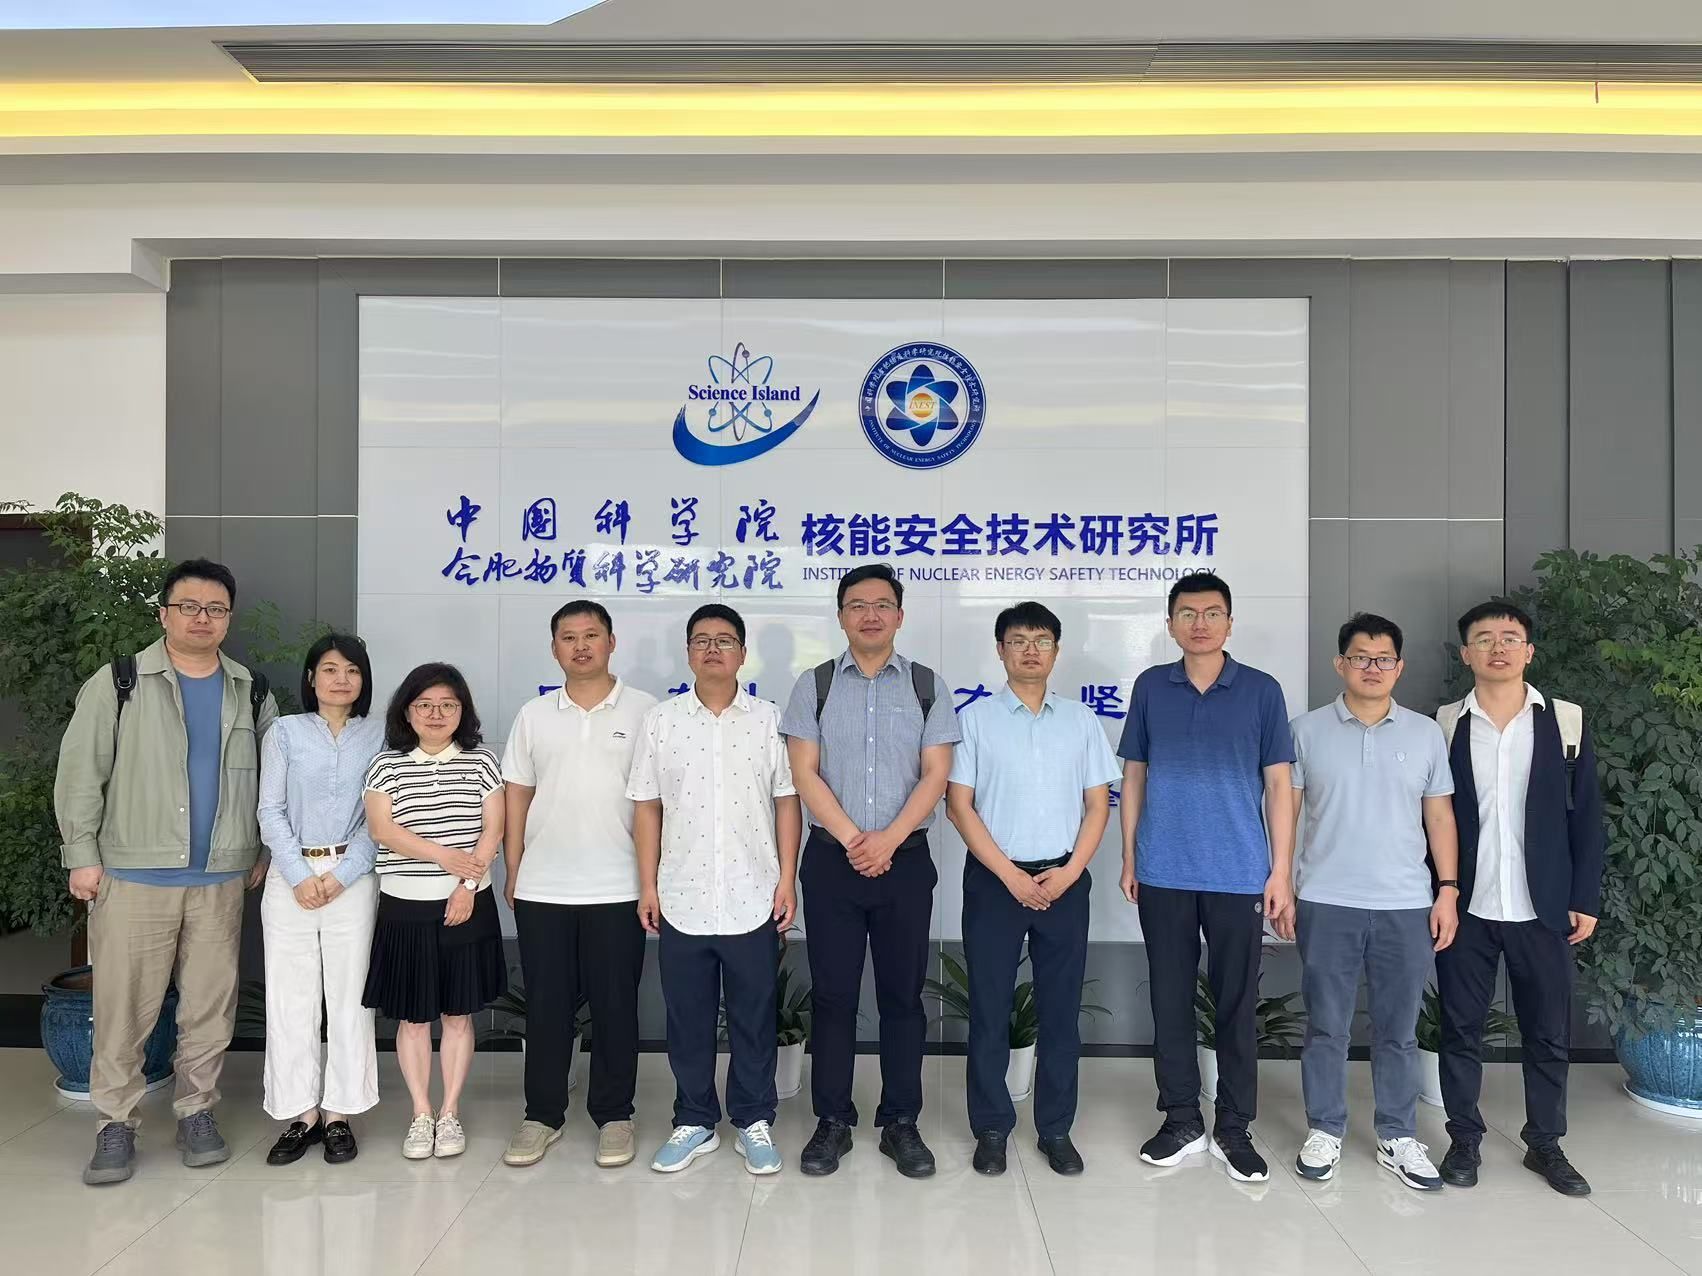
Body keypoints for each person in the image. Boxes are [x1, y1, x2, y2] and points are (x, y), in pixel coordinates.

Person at [56, 558, 278, 1186]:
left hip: (219, 880)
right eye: (189, 606)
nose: (202, 618)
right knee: (124, 1008)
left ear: (228, 619)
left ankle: (196, 1111)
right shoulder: (120, 681)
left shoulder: (250, 690)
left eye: (215, 609)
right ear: (164, 614)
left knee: (209, 1008)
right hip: (134, 876)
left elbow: (274, 782)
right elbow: (80, 772)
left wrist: (262, 849)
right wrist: (82, 854)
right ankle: (114, 1123)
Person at [781, 562, 960, 1179]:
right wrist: (858, 840)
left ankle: (901, 1121)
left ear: (900, 616)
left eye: (882, 604)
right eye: (857, 605)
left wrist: (888, 841)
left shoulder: (928, 685)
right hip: (833, 861)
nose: (871, 615)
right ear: (841, 617)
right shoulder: (815, 684)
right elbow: (804, 772)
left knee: (902, 998)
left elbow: (936, 774)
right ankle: (832, 1121)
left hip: (905, 862)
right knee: (833, 996)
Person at [1117, 570, 1295, 1184]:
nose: (1200, 623)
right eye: (1188, 614)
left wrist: (1280, 871)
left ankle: (1235, 1126)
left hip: (1240, 872)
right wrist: (1130, 857)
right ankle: (1181, 1119)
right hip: (1163, 868)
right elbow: (1134, 775)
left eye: (1212, 613)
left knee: (1236, 1003)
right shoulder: (1151, 686)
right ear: (1170, 624)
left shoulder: (1261, 691)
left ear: (1229, 622)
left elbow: (1279, 784)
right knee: (1169, 997)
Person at [1433, 601, 1604, 1197]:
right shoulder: (1446, 723)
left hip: (1544, 906)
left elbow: (1588, 818)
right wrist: (1439, 891)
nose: (1498, 648)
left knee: (1548, 1032)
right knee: (1460, 1029)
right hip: (1467, 907)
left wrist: (1585, 896)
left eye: (1510, 638)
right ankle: (1463, 1139)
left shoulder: (1566, 722)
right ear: (1467, 654)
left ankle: (1545, 1143)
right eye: (1484, 639)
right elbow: (1434, 816)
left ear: (1529, 651)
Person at [946, 602, 1119, 1178]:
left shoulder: (1080, 721)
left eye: (1041, 640)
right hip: (996, 881)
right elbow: (959, 806)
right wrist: (1010, 875)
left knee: (1061, 1011)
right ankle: (992, 1127)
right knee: (990, 1008)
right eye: (1017, 640)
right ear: (1000, 650)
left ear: (1056, 651)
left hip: (1064, 880)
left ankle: (1056, 1129)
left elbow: (1099, 805)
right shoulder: (974, 720)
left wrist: (1069, 872)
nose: (1030, 651)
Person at [1286, 614, 1459, 1190]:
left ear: (1399, 667)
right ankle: (1325, 1129)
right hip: (1325, 897)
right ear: (1340, 664)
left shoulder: (1424, 734)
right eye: (1360, 657)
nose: (1372, 667)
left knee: (1398, 1029)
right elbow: (1285, 813)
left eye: (1383, 658)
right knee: (1326, 1027)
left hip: (1406, 903)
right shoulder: (1305, 731)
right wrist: (1281, 881)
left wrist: (1447, 890)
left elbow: (1440, 816)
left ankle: (1397, 1135)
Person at [626, 604, 800, 1176]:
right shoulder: (662, 721)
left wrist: (787, 878)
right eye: (701, 640)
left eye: (725, 641)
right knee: (688, 1017)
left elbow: (786, 802)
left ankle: (753, 1118)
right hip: (683, 894)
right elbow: (647, 806)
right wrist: (648, 884)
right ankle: (695, 1119)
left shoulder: (769, 720)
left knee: (755, 1015)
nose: (713, 650)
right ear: (688, 652)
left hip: (754, 893)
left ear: (743, 654)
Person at [500, 600, 656, 1171]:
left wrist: (651, 881)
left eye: (592, 635)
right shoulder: (534, 714)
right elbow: (517, 794)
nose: (581, 645)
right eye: (569, 637)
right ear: (554, 649)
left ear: (612, 642)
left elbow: (655, 802)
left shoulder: (647, 711)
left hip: (618, 885)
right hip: (544, 886)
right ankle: (541, 1115)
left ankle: (615, 1115)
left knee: (617, 1007)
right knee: (547, 1007)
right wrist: (514, 868)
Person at [361, 663, 507, 1161]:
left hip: (467, 904)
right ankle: (421, 1113)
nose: (436, 714)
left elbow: (492, 830)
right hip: (405, 905)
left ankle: (450, 1112)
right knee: (414, 1018)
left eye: (448, 705)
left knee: (458, 1015)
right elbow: (382, 829)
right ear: (407, 712)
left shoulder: (481, 761)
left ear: (462, 711)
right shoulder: (386, 764)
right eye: (424, 705)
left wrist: (466, 885)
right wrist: (444, 856)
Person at [257, 633, 386, 1167]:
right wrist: (297, 873)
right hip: (290, 877)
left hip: (353, 877)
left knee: (350, 997)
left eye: (352, 670)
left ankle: (339, 1114)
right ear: (311, 678)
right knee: (291, 998)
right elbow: (269, 810)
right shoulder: (285, 732)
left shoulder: (380, 734)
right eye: (330, 669)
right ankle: (300, 1114)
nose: (341, 679)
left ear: (364, 680)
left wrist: (344, 873)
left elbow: (383, 816)